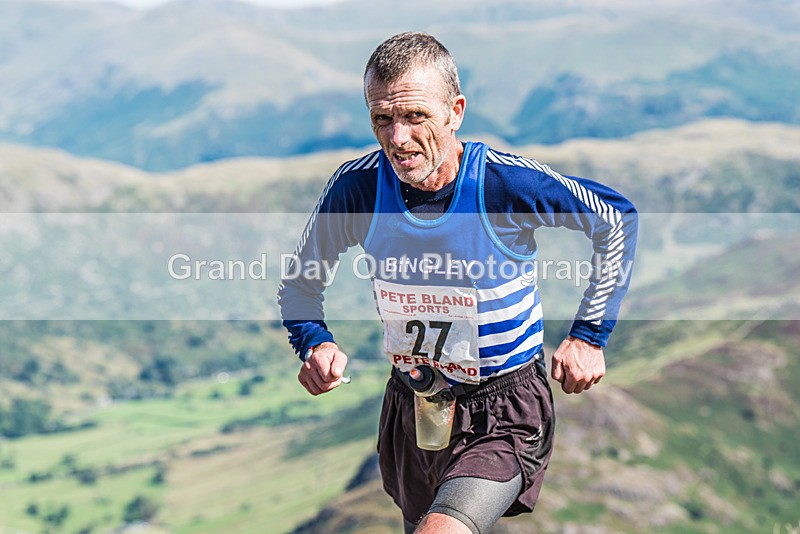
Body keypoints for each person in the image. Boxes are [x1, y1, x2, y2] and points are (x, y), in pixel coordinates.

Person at [278, 32, 638, 534]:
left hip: (505, 409)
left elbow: (616, 219)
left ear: (455, 110)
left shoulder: (504, 184)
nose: (397, 138)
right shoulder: (357, 186)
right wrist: (313, 342)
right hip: (413, 408)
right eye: (383, 119)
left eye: (415, 117)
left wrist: (589, 335)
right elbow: (299, 283)